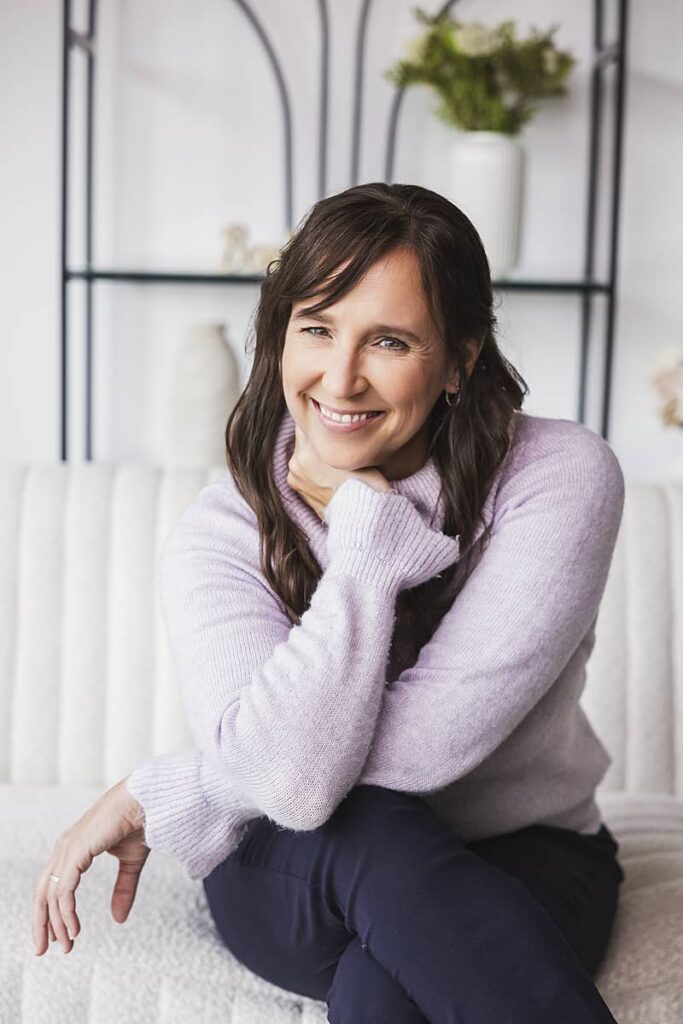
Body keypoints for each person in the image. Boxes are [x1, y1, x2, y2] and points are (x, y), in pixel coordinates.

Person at [32, 182, 625, 1023]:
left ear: (460, 359)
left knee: (387, 991)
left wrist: (186, 787)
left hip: (524, 850)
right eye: (315, 328)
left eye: (387, 340)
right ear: (279, 334)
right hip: (292, 862)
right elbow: (295, 790)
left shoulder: (556, 478)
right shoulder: (223, 531)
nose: (340, 379)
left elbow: (425, 751)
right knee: (371, 835)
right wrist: (366, 545)